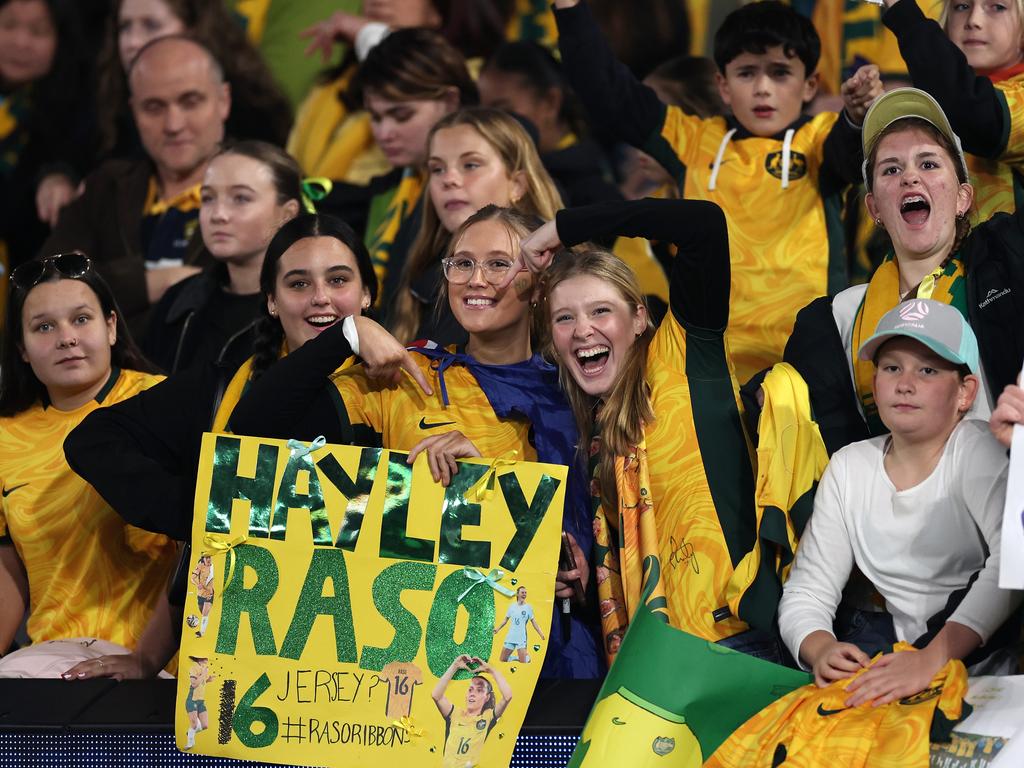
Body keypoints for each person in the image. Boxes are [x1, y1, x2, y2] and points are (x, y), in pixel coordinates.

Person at [230, 205, 604, 679]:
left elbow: (612, 535)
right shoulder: (403, 377)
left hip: (557, 657)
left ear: (540, 283)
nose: (475, 279)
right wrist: (346, 333)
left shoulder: (581, 388)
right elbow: (252, 430)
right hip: (430, 667)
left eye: (498, 263)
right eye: (462, 263)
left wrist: (581, 582)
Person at [61, 212, 411, 680]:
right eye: (298, 284)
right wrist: (205, 510)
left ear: (368, 294)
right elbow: (93, 440)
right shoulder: (224, 386)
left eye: (339, 279)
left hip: (372, 677)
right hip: (241, 681)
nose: (321, 297)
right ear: (271, 301)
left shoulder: (415, 386)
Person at [552, 0, 882, 383]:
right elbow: (609, 93)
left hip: (808, 365)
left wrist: (858, 117)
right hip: (710, 368)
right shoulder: (692, 140)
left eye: (779, 73)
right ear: (723, 85)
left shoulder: (820, 137)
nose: (762, 89)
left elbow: (848, 152)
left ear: (809, 84)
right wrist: (570, 9)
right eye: (746, 73)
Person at [510, 197, 759, 662]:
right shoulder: (589, 430)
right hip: (649, 661)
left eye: (601, 311)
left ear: (640, 318)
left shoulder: (683, 359)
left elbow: (702, 224)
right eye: (565, 318)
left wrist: (565, 227)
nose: (582, 330)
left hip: (737, 641)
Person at [779, 299, 1021, 703]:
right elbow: (808, 591)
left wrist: (932, 658)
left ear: (965, 393)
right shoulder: (850, 466)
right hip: (895, 667)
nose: (905, 383)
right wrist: (820, 648)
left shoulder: (976, 447)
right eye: (892, 368)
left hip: (985, 671)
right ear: (875, 385)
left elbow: (1011, 563)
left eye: (927, 370)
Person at [785, 87, 1024, 454]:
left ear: (963, 197)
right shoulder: (837, 319)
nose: (910, 178)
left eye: (928, 164)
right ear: (874, 208)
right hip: (895, 502)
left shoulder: (1008, 259)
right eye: (891, 169)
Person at [0, 253, 175, 673]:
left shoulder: (167, 403)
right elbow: (9, 569)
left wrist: (147, 659)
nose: (66, 338)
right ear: (22, 349)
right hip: (52, 660)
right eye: (44, 327)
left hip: (163, 663)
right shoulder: (5, 436)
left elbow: (203, 550)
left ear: (111, 327)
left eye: (81, 319)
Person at [41, 35, 231, 337]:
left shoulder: (262, 190)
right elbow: (42, 288)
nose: (173, 124)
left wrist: (98, 278)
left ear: (224, 101)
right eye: (154, 107)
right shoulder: (106, 186)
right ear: (134, 110)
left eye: (190, 102)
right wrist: (150, 282)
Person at [318, 28, 477, 307]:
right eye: (376, 117)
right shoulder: (394, 185)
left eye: (401, 115)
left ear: (450, 102)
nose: (384, 132)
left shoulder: (477, 189)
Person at [386, 107, 563, 345]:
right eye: (437, 169)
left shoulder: (561, 267)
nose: (449, 179)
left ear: (518, 184)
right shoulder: (416, 262)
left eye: (470, 165)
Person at [144, 141, 302, 373]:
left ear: (287, 214)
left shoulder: (304, 307)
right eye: (208, 198)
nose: (218, 214)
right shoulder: (179, 300)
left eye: (241, 198)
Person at [878, 0, 1024, 221]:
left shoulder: (956, 100)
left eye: (997, 7)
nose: (974, 21)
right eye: (962, 7)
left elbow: (973, 115)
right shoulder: (931, 100)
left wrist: (904, 13)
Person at [94, 0, 292, 161]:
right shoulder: (112, 92)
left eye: (151, 25)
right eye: (125, 27)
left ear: (194, 29)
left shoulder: (249, 109)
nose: (132, 41)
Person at [0, 0, 94, 267]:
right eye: (8, 25)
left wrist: (59, 175)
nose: (21, 42)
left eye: (38, 31)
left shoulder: (77, 116)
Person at [478, 41, 621, 207]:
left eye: (504, 110)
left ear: (550, 102)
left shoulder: (589, 189)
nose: (488, 124)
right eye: (485, 114)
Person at [432, 654, 512, 768]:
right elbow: (436, 695)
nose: (472, 694)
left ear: (487, 697)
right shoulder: (455, 714)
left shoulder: (487, 717)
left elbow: (507, 696)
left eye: (479, 690)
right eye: (470, 689)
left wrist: (491, 670)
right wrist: (455, 666)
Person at [494, 586, 546, 663]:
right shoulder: (512, 606)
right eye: (522, 592)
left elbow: (534, 622)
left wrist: (541, 634)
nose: (524, 594)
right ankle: (516, 658)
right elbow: (505, 619)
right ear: (517, 594)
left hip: (521, 638)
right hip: (511, 636)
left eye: (525, 593)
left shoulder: (528, 608)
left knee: (523, 662)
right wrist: (497, 629)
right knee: (502, 659)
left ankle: (525, 657)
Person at [183, 655, 214, 749]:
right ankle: (190, 743)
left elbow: (201, 683)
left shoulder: (203, 668)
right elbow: (194, 684)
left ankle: (190, 732)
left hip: (201, 700)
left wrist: (208, 680)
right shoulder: (194, 668)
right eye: (204, 658)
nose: (206, 660)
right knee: (195, 724)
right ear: (198, 659)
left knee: (205, 725)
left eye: (206, 658)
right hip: (192, 700)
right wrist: (204, 674)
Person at [187, 554, 213, 638]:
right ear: (203, 559)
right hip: (200, 593)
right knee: (203, 613)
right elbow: (192, 578)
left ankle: (201, 632)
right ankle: (207, 624)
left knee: (205, 613)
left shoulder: (213, 567)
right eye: (207, 558)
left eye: (209, 557)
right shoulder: (200, 566)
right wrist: (197, 584)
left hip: (209, 593)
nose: (208, 559)